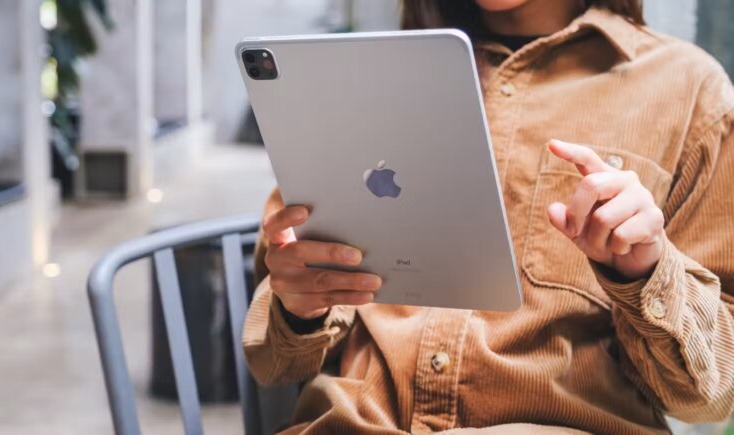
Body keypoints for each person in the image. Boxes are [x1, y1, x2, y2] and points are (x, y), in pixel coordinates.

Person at [243, 0, 734, 433]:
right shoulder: (352, 74)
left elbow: (709, 398)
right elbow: (275, 363)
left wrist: (647, 270)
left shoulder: (689, 90)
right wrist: (297, 307)